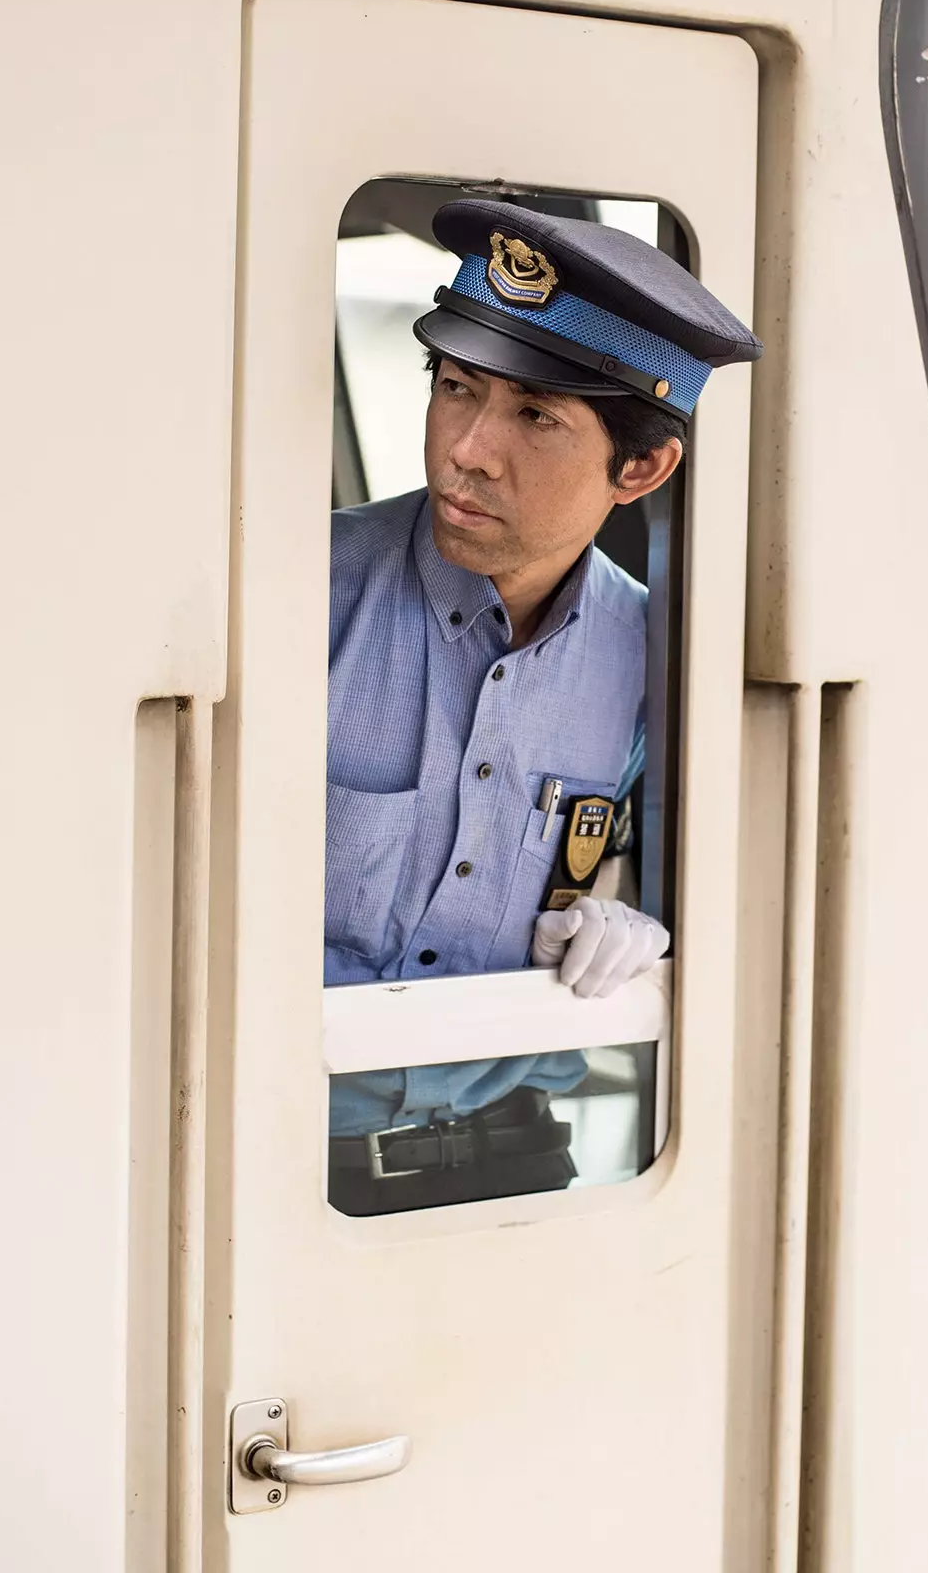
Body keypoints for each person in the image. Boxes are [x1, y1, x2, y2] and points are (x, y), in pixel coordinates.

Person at [326, 198, 761, 1213]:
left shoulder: (662, 661)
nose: (468, 448)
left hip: (524, 1172)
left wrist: (648, 923)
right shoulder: (295, 592)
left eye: (534, 415)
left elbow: (719, 908)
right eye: (456, 386)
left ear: (641, 467)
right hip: (286, 1163)